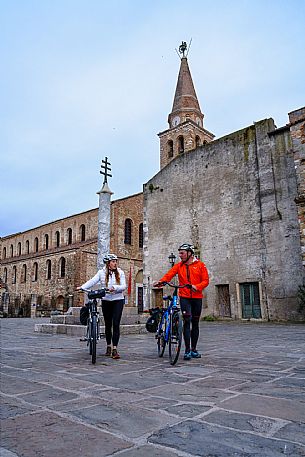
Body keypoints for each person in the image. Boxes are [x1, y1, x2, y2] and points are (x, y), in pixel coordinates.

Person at [154, 243, 209, 360]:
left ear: (189, 253)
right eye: (179, 253)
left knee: (195, 323)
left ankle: (194, 349)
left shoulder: (200, 265)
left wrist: (197, 286)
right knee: (187, 321)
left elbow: (205, 281)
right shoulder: (179, 266)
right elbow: (169, 275)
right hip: (184, 297)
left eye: (182, 253)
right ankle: (187, 350)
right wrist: (161, 281)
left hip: (197, 297)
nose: (180, 255)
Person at [77, 254, 126, 359]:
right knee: (108, 324)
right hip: (106, 300)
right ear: (108, 263)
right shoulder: (101, 273)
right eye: (113, 261)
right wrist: (82, 287)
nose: (115, 263)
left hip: (118, 300)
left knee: (116, 323)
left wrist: (115, 288)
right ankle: (108, 346)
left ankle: (115, 349)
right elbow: (92, 281)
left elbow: (123, 286)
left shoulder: (120, 273)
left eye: (116, 261)